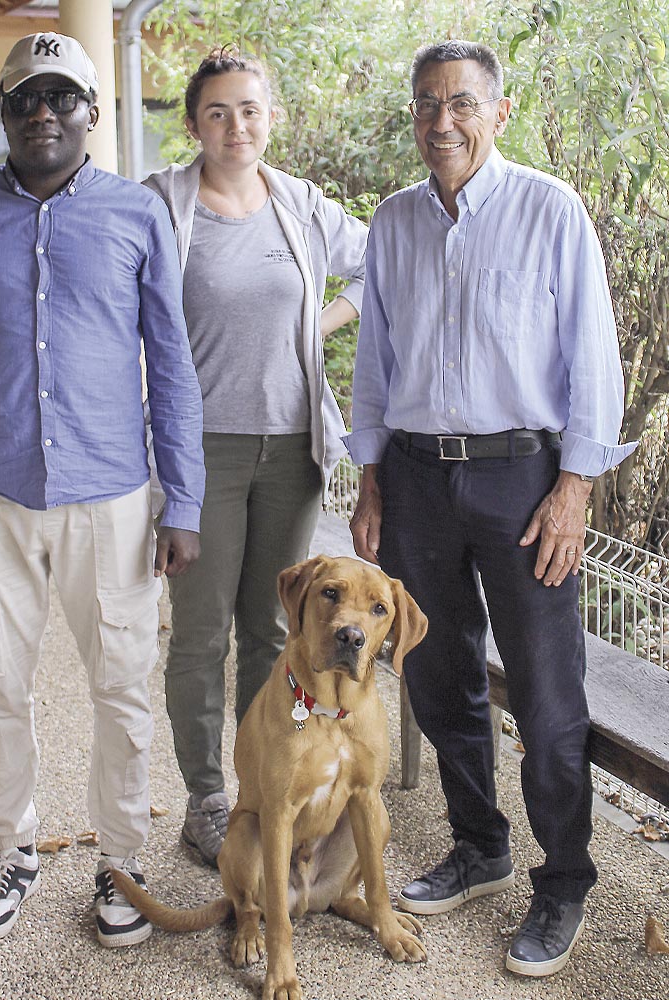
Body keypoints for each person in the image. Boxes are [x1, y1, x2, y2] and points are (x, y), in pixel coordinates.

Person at [346, 39, 637, 978]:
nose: (442, 122)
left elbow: (594, 358)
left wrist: (576, 486)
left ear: (498, 112)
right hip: (419, 476)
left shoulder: (551, 211)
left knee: (549, 697)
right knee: (436, 672)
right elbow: (376, 366)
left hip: (525, 480)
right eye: (427, 104)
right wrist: (372, 476)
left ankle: (563, 883)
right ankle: (479, 846)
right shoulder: (392, 224)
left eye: (462, 104)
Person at [0, 32, 205, 947]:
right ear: (5, 115)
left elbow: (173, 364)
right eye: (23, 99)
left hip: (110, 496)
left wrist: (182, 502)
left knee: (121, 686)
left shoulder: (136, 214)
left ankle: (121, 860)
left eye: (60, 97)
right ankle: (14, 850)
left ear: (89, 111)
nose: (42, 112)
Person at [143, 48, 368, 867]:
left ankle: (272, 784)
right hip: (199, 450)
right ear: (195, 124)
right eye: (217, 112)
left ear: (271, 116)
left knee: (276, 636)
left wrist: (319, 324)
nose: (236, 125)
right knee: (201, 634)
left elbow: (381, 266)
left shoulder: (300, 205)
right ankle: (207, 798)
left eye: (249, 109)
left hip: (294, 450)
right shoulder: (163, 206)